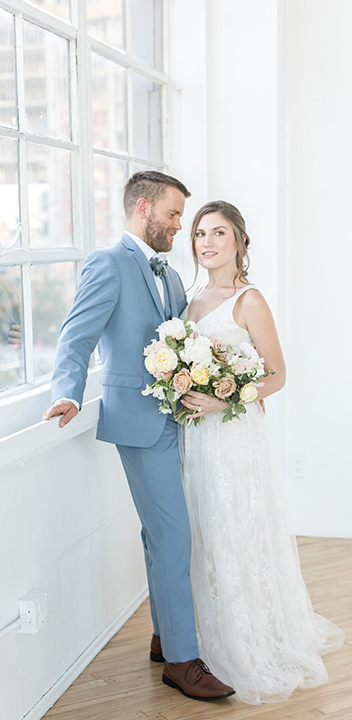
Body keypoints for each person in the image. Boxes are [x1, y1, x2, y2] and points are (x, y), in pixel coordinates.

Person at [42, 172, 235, 702]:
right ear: (143, 208)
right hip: (139, 423)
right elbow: (76, 335)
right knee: (175, 536)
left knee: (160, 536)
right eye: (174, 215)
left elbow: (182, 344)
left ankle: (163, 636)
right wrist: (69, 394)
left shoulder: (169, 276)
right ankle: (182, 661)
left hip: (180, 419)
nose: (181, 227)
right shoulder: (108, 263)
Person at [179, 200, 344, 705]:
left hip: (231, 434)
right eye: (200, 234)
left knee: (237, 527)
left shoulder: (248, 300)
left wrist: (222, 398)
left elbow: (277, 373)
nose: (207, 242)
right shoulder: (190, 298)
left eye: (218, 233)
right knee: (204, 528)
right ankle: (207, 635)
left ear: (239, 242)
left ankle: (253, 637)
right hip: (196, 435)